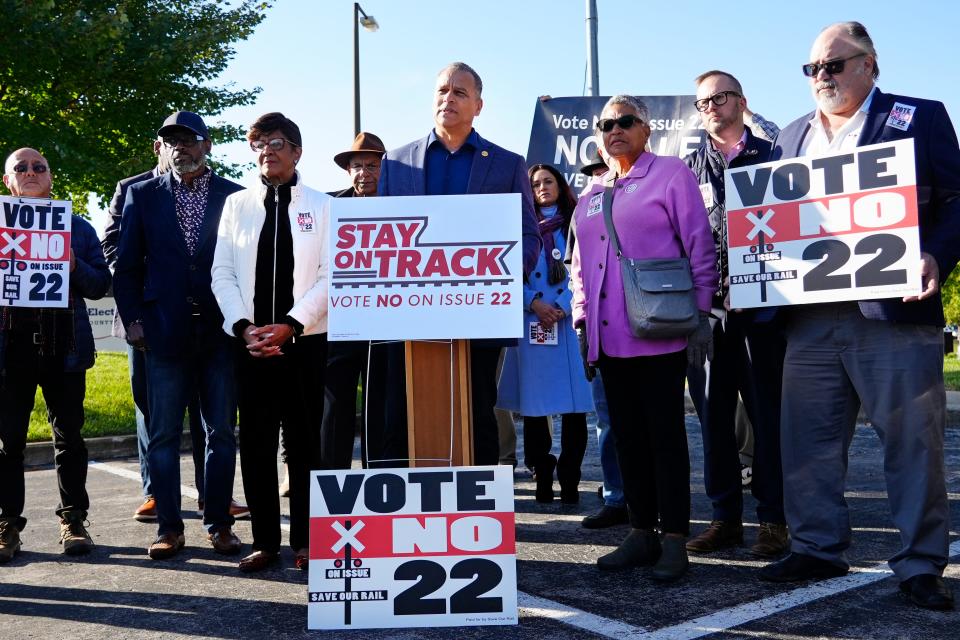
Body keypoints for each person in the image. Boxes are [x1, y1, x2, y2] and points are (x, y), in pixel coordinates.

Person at [757, 22, 959, 612]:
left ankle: (921, 564)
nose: (822, 76)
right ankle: (817, 546)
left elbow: (956, 200)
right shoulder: (791, 136)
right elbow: (769, 220)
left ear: (870, 64)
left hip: (893, 315)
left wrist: (935, 254)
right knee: (807, 443)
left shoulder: (918, 116)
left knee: (911, 445)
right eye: (812, 68)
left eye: (834, 64)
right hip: (810, 319)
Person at [570, 95, 717, 582]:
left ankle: (675, 538)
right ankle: (640, 532)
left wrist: (698, 312)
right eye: (606, 123)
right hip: (607, 340)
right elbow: (577, 267)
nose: (615, 129)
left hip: (660, 332)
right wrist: (580, 316)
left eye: (625, 121)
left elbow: (700, 245)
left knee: (665, 439)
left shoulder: (671, 174)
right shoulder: (591, 194)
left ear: (646, 128)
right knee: (626, 439)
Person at [377, 61, 541, 466]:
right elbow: (380, 236)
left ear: (479, 106)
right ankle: (409, 511)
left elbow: (528, 234)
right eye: (442, 91)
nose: (448, 99)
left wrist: (502, 278)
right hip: (411, 316)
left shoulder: (506, 164)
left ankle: (481, 511)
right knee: (403, 414)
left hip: (481, 314)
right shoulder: (396, 163)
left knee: (478, 411)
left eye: (459, 93)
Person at [113, 111, 244, 560]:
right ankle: (170, 529)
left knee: (222, 432)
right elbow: (126, 266)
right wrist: (133, 321)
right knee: (164, 434)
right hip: (163, 333)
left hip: (220, 333)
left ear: (207, 145)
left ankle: (219, 525)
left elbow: (247, 267)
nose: (179, 148)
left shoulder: (235, 197)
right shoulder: (141, 196)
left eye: (188, 140)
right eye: (170, 140)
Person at [212, 112, 330, 573]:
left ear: (297, 151)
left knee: (304, 445)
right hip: (251, 344)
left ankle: (305, 540)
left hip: (304, 343)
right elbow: (221, 272)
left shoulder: (323, 206)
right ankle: (265, 541)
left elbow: (330, 276)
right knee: (256, 444)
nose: (268, 151)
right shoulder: (237, 206)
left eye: (278, 142)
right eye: (259, 143)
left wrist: (292, 325)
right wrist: (244, 327)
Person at [683, 70, 788, 559]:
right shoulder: (686, 169)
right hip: (708, 315)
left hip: (764, 311)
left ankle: (773, 521)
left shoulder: (775, 157)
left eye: (719, 97)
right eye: (703, 101)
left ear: (742, 102)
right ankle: (724, 519)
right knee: (713, 420)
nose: (710, 106)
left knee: (767, 417)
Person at [0, 148, 111, 562]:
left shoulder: (76, 227)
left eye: (39, 167)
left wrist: (72, 263)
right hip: (9, 346)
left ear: (50, 177)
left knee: (70, 438)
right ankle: (6, 523)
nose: (30, 172)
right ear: (8, 180)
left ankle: (73, 519)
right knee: (7, 441)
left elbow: (101, 284)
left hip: (62, 345)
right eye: (21, 168)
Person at [497, 164, 593, 503]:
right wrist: (534, 303)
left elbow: (588, 267)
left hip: (568, 324)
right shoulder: (520, 227)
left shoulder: (578, 221)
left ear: (560, 184)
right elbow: (507, 272)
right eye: (535, 183)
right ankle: (541, 469)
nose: (541, 187)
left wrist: (565, 306)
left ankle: (570, 475)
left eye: (548, 181)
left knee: (574, 407)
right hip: (533, 322)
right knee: (535, 407)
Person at [321, 132, 387, 469]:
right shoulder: (328, 208)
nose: (365, 173)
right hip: (341, 323)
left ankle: (381, 476)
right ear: (348, 171)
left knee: (382, 405)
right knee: (334, 405)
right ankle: (333, 478)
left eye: (372, 166)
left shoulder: (403, 203)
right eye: (358, 166)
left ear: (384, 168)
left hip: (388, 324)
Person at [574, 149, 628, 529]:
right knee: (607, 420)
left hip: (643, 325)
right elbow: (578, 271)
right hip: (598, 331)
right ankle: (616, 497)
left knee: (647, 422)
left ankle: (649, 500)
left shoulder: (637, 199)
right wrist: (581, 322)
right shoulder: (584, 207)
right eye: (593, 171)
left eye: (603, 168)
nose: (597, 175)